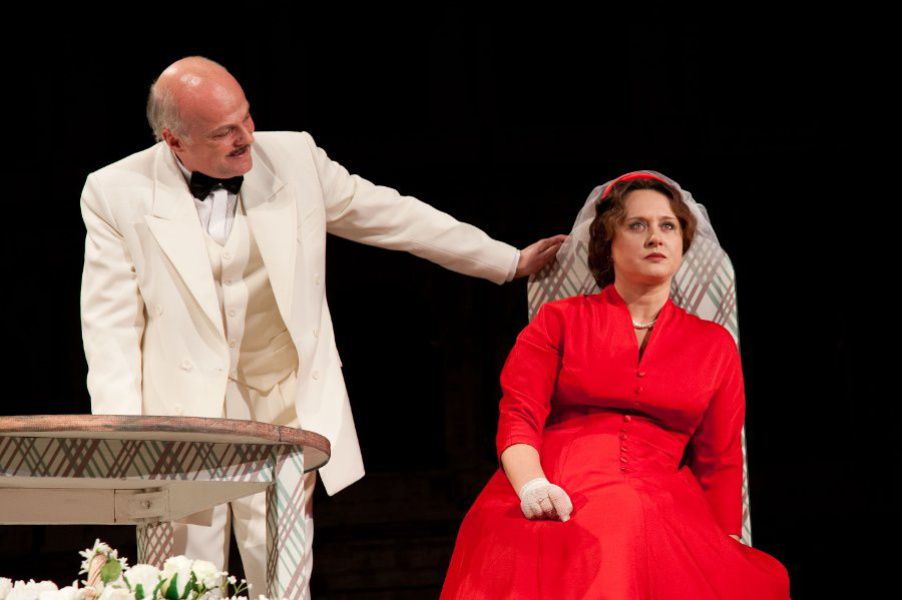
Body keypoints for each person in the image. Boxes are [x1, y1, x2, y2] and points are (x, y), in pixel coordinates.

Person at [79, 55, 566, 597]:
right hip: (181, 417)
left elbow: (393, 216)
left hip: (281, 408)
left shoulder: (295, 159)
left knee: (284, 578)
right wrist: (123, 440)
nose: (246, 137)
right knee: (182, 578)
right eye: (223, 132)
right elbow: (109, 325)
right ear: (173, 139)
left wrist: (506, 260)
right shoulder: (114, 191)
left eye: (246, 117)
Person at [440, 171, 792, 599]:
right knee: (606, 528)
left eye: (668, 226)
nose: (655, 237)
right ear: (608, 240)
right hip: (562, 487)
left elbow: (719, 459)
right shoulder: (561, 320)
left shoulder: (713, 344)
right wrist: (533, 486)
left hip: (664, 502)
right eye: (637, 225)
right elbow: (519, 415)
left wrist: (725, 546)